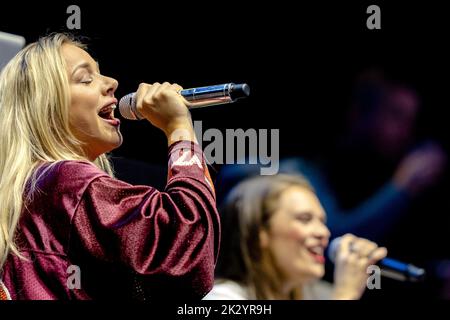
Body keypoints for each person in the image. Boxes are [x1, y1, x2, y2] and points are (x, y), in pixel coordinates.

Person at [0, 33, 220, 300]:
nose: (112, 83)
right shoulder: (68, 182)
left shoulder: (30, 192)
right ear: (45, 106)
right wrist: (179, 129)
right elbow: (186, 246)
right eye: (85, 79)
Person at [204, 174, 387, 300]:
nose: (324, 232)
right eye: (305, 219)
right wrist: (345, 294)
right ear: (261, 233)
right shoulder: (223, 297)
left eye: (322, 222)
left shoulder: (321, 295)